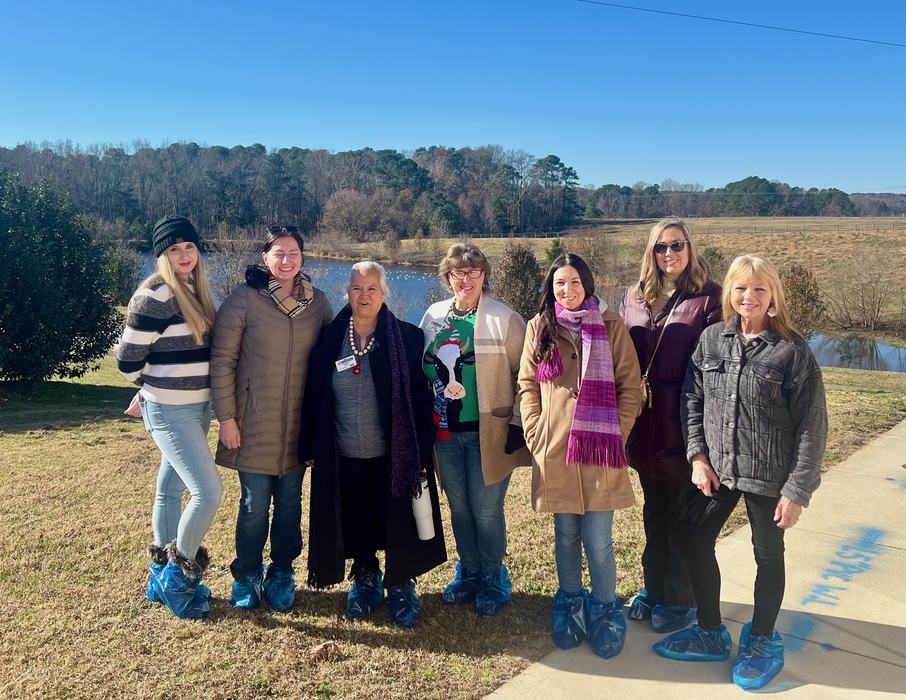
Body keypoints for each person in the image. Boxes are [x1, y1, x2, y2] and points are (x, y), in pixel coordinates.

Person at [653, 255, 828, 691]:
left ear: (773, 297)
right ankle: (710, 631)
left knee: (767, 554)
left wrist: (797, 491)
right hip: (719, 468)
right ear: (729, 293)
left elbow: (812, 424)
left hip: (770, 475)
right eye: (740, 288)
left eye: (759, 289)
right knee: (693, 537)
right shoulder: (712, 339)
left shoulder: (791, 350)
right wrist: (697, 457)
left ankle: (764, 639)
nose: (748, 297)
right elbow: (691, 400)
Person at [301, 262, 446, 627]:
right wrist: (308, 446)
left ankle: (400, 582)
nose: (363, 296)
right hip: (344, 451)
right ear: (346, 292)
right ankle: (364, 577)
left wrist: (420, 449)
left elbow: (420, 398)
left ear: (384, 294)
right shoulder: (329, 339)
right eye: (356, 289)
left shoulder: (408, 339)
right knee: (357, 520)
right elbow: (313, 396)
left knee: (396, 522)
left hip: (392, 454)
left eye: (371, 289)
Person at [518, 253, 642, 658]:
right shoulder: (540, 327)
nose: (567, 290)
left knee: (599, 540)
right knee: (566, 535)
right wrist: (536, 430)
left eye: (574, 282)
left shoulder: (611, 326)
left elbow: (630, 388)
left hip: (600, 452)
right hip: (555, 450)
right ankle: (569, 601)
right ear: (550, 288)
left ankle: (605, 608)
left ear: (586, 284)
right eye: (559, 284)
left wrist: (615, 434)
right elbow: (527, 384)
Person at [210, 225, 332, 611]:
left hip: (298, 427)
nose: (286, 260)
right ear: (265, 258)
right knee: (253, 505)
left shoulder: (319, 304)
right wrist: (227, 418)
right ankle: (247, 574)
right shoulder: (245, 299)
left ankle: (281, 571)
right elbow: (223, 362)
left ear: (302, 258)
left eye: (293, 253)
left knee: (291, 503)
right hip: (252, 423)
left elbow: (333, 360)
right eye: (278, 253)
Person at [116, 215, 223, 619]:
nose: (184, 255)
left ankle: (158, 576)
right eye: (174, 248)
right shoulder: (154, 295)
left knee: (168, 488)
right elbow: (127, 363)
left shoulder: (198, 291)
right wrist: (149, 391)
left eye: (189, 247)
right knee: (208, 492)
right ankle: (179, 579)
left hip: (199, 406)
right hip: (168, 409)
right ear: (163, 255)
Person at [619, 217, 722, 633]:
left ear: (690, 248)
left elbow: (715, 369)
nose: (669, 254)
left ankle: (680, 599)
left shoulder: (709, 299)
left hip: (684, 421)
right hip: (644, 423)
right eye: (661, 247)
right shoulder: (634, 296)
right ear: (651, 251)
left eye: (677, 245)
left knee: (682, 514)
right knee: (653, 511)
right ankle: (654, 587)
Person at [419, 242, 529, 617]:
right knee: (460, 508)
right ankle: (468, 574)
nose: (465, 279)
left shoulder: (505, 318)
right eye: (457, 273)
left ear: (484, 275)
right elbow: (422, 368)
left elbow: (525, 376)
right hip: (444, 434)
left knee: (486, 509)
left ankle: (493, 578)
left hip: (490, 433)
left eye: (473, 272)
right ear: (447, 277)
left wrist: (517, 422)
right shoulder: (434, 317)